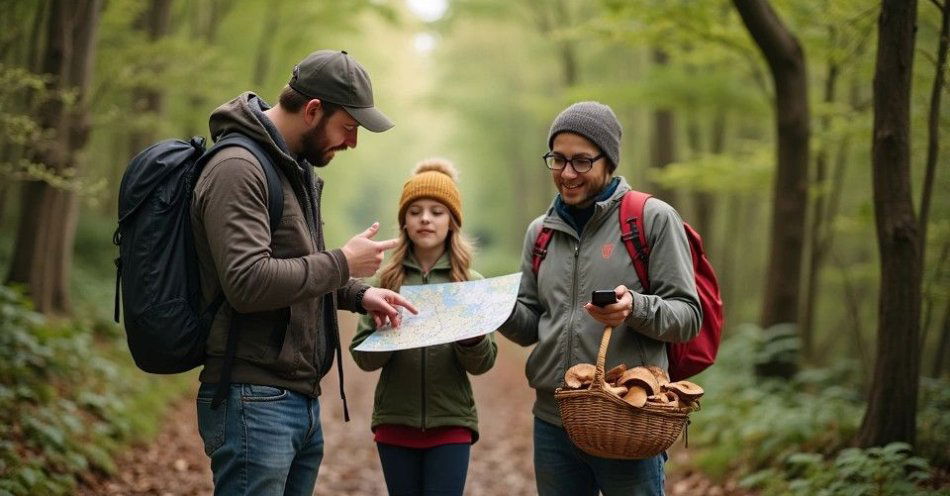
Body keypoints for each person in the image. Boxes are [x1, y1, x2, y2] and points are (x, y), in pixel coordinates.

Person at [190, 49, 418, 496]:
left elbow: (295, 265)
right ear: (313, 110)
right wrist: (342, 262)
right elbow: (248, 283)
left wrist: (356, 293)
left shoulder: (293, 168)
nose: (352, 142)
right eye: (348, 128)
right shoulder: (238, 168)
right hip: (253, 399)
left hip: (295, 398)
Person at [498, 101, 702, 496]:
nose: (567, 173)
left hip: (630, 416)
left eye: (581, 162)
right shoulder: (540, 232)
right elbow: (529, 327)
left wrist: (636, 307)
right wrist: (491, 310)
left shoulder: (651, 219)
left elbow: (688, 316)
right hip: (553, 421)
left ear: (607, 162)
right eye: (557, 159)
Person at [350, 159, 498, 496]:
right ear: (404, 221)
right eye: (415, 211)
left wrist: (472, 340)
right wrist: (382, 333)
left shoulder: (469, 285)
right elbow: (363, 359)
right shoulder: (385, 281)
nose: (425, 218)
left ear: (452, 221)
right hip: (394, 421)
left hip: (452, 423)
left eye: (436, 211)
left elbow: (483, 363)